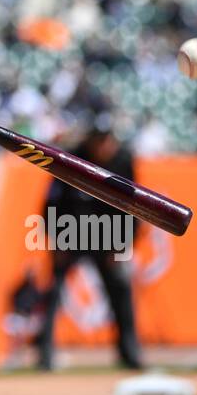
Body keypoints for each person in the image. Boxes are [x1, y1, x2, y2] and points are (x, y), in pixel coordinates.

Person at [35, 127, 142, 371]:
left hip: (108, 236)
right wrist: (56, 241)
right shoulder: (70, 159)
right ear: (90, 139)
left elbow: (133, 207)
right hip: (71, 232)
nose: (104, 146)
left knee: (121, 290)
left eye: (108, 140)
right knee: (53, 292)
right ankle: (45, 354)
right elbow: (51, 201)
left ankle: (130, 352)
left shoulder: (123, 162)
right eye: (99, 140)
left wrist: (122, 245)